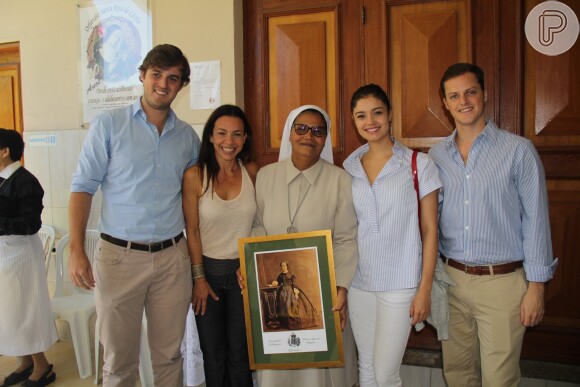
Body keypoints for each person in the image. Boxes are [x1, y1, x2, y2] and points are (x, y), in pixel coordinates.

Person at [69, 44, 201, 387]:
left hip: (172, 260)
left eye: (173, 78)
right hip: (118, 259)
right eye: (156, 75)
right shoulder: (109, 126)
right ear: (142, 76)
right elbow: (82, 187)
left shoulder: (187, 138)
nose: (163, 84)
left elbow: (197, 200)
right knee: (119, 361)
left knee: (169, 357)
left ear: (181, 85)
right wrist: (76, 250)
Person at [428, 63, 558, 386]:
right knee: (457, 375)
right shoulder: (436, 156)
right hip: (451, 281)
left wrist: (537, 287)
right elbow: (429, 219)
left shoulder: (518, 151)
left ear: (485, 94)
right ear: (445, 103)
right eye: (454, 95)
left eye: (470, 92)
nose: (464, 101)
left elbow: (537, 220)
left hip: (502, 285)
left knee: (500, 380)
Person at [251, 105, 359, 387]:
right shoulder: (265, 176)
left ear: (325, 139)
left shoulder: (340, 180)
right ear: (290, 133)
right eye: (301, 128)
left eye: (318, 131)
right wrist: (250, 267)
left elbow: (346, 238)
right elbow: (258, 227)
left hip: (324, 290)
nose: (308, 136)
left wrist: (341, 287)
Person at [342, 84, 441, 386]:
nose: (370, 122)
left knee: (386, 374)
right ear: (354, 121)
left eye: (377, 113)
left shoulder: (418, 164)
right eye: (361, 116)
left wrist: (424, 289)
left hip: (401, 284)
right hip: (360, 282)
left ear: (390, 115)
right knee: (367, 370)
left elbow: (430, 231)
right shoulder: (348, 168)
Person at [182, 104, 258, 387]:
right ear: (211, 137)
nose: (230, 141)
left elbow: (259, 225)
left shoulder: (252, 171)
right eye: (222, 133)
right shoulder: (194, 175)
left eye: (237, 134)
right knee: (213, 355)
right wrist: (198, 279)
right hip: (209, 275)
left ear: (245, 138)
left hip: (243, 276)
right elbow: (192, 231)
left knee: (241, 354)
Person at [0, 129, 58, 387]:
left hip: (21, 256)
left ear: (5, 151)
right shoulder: (2, 178)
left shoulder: (25, 181)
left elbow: (31, 223)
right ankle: (25, 363)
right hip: (5, 255)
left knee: (25, 311)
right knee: (10, 313)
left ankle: (42, 366)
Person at [273, 260, 320, 330]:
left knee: (294, 305)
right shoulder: (280, 275)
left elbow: (294, 284)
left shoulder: (291, 274)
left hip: (291, 291)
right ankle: (286, 323)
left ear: (287, 266)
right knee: (284, 306)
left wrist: (296, 292)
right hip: (283, 292)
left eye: (284, 265)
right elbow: (279, 284)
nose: (283, 267)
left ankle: (295, 323)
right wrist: (275, 283)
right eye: (282, 266)